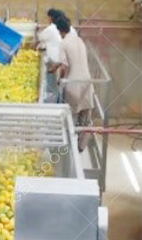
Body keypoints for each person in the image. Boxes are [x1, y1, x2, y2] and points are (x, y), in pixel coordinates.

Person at [56, 17, 94, 151]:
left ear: (59, 31)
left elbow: (64, 66)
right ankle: (81, 147)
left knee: (71, 118)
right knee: (86, 119)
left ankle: (69, 151)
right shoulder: (79, 39)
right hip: (88, 82)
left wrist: (59, 81)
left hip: (73, 83)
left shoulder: (63, 43)